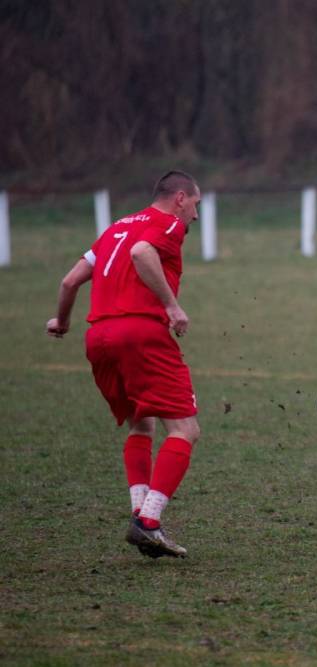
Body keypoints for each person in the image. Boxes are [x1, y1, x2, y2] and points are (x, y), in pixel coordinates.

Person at [46, 170, 203, 558]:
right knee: (185, 429)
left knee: (141, 421)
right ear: (180, 198)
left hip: (98, 337)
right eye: (196, 205)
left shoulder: (117, 227)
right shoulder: (167, 224)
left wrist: (62, 321)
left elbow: (69, 282)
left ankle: (139, 511)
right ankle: (148, 522)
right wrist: (171, 305)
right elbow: (142, 253)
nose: (196, 216)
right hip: (140, 335)